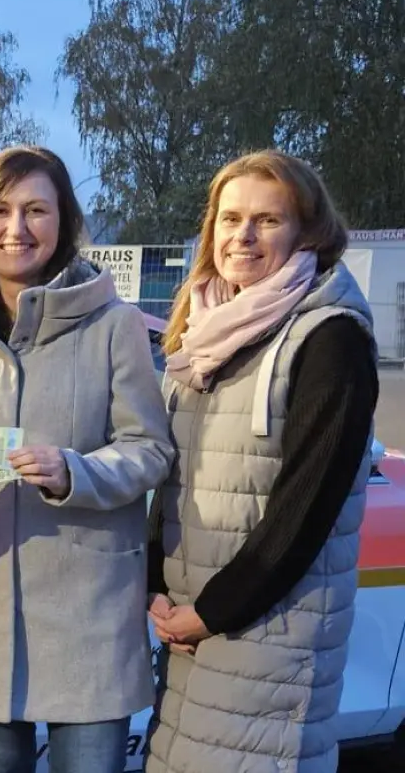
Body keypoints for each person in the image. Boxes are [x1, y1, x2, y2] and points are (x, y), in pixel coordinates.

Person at [0, 146, 174, 773]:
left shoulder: (115, 326)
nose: (16, 229)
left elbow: (151, 450)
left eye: (36, 209)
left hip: (87, 611)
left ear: (64, 221)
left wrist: (75, 472)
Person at [146, 150, 379, 773]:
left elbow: (307, 505)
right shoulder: (204, 331)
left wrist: (212, 612)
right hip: (193, 626)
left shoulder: (330, 338)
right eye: (229, 219)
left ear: (308, 231)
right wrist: (156, 587)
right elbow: (171, 472)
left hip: (267, 636)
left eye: (267, 221)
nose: (242, 236)